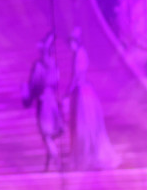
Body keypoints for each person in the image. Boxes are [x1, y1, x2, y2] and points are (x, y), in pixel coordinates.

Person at [66, 28, 121, 171]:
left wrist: (68, 91)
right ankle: (88, 153)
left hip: (82, 92)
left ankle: (88, 154)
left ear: (74, 42)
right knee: (86, 124)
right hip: (84, 90)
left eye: (70, 43)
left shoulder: (79, 54)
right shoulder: (80, 53)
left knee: (85, 124)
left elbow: (77, 75)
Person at [22, 33, 64, 172]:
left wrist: (28, 93)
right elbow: (56, 83)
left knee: (46, 134)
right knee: (48, 134)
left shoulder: (39, 66)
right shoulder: (54, 65)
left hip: (44, 102)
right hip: (51, 100)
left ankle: (57, 162)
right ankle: (48, 165)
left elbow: (34, 84)